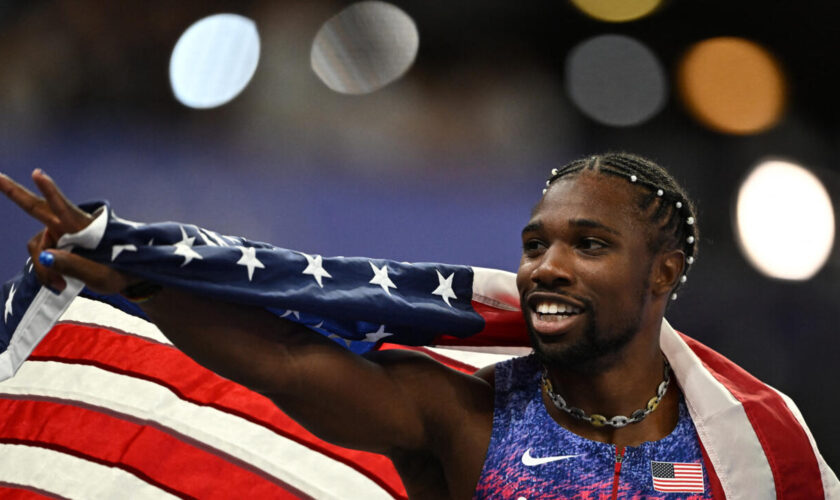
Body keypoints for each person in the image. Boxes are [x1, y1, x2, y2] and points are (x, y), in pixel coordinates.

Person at [0, 153, 836, 499]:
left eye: (589, 245)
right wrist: (144, 285)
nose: (547, 266)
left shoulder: (743, 460)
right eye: (536, 243)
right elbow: (290, 360)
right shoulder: (475, 418)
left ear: (664, 273)